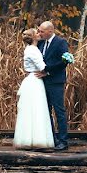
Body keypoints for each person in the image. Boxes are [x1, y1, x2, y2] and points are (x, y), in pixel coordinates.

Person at [13, 28, 55, 149]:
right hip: (35, 81)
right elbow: (42, 67)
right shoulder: (32, 50)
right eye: (37, 33)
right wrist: (51, 70)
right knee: (36, 109)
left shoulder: (32, 49)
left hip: (33, 80)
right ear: (32, 37)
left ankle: (31, 139)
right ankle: (36, 140)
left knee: (33, 109)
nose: (39, 34)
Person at [35, 21, 70, 151]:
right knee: (46, 111)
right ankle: (52, 138)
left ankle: (63, 141)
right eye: (38, 31)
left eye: (42, 31)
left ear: (50, 31)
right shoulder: (41, 43)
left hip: (55, 81)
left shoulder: (60, 42)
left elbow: (64, 62)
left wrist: (47, 71)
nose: (39, 33)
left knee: (59, 111)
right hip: (42, 82)